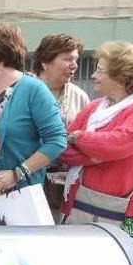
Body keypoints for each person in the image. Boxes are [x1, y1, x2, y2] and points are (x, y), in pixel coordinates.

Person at [0, 23, 66, 225]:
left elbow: (57, 140)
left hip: (16, 199)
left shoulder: (32, 89)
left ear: (0, 50)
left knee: (16, 257)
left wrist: (18, 173)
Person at [60, 42, 133, 244]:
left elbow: (118, 144)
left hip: (128, 214)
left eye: (100, 71)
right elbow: (62, 147)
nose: (93, 76)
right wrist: (95, 157)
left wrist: (78, 137)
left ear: (121, 77)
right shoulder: (95, 107)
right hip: (80, 205)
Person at [32, 33, 90, 215]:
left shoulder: (79, 96)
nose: (74, 65)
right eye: (67, 59)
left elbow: (86, 136)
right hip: (26, 176)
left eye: (76, 60)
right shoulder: (23, 89)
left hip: (61, 182)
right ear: (45, 62)